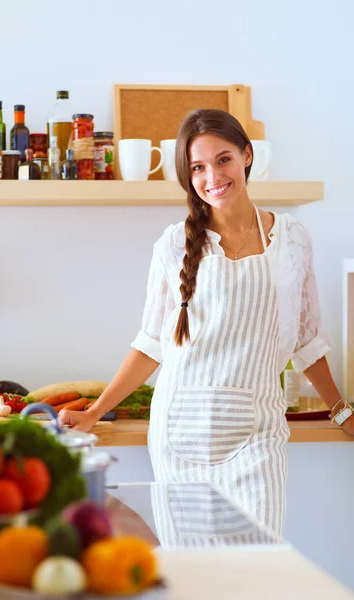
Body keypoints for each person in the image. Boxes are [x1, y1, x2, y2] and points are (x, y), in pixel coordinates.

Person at [59, 108, 354, 536]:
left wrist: (341, 410)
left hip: (258, 436)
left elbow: (308, 340)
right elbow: (150, 344)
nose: (212, 176)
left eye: (223, 159)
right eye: (197, 167)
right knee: (194, 575)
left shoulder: (292, 240)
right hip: (181, 434)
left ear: (246, 156)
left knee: (258, 569)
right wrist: (96, 412)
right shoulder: (174, 244)